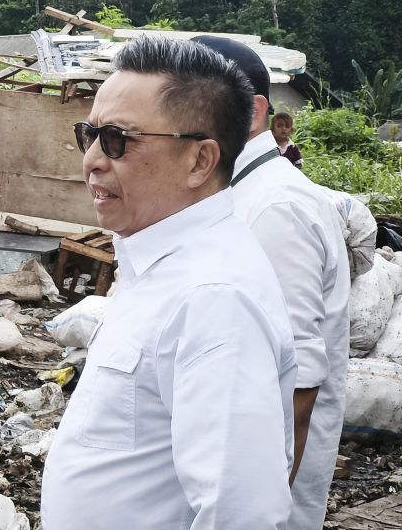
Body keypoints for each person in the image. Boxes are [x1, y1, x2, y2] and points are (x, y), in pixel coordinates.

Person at [41, 35, 297, 530]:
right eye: (88, 135)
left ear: (200, 160)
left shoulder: (213, 298)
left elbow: (242, 513)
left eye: (118, 140)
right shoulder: (159, 266)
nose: (93, 159)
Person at [193, 36, 349, 530]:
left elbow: (297, 389)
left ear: (253, 114)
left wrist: (258, 513)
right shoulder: (241, 195)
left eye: (187, 107)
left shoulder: (276, 210)